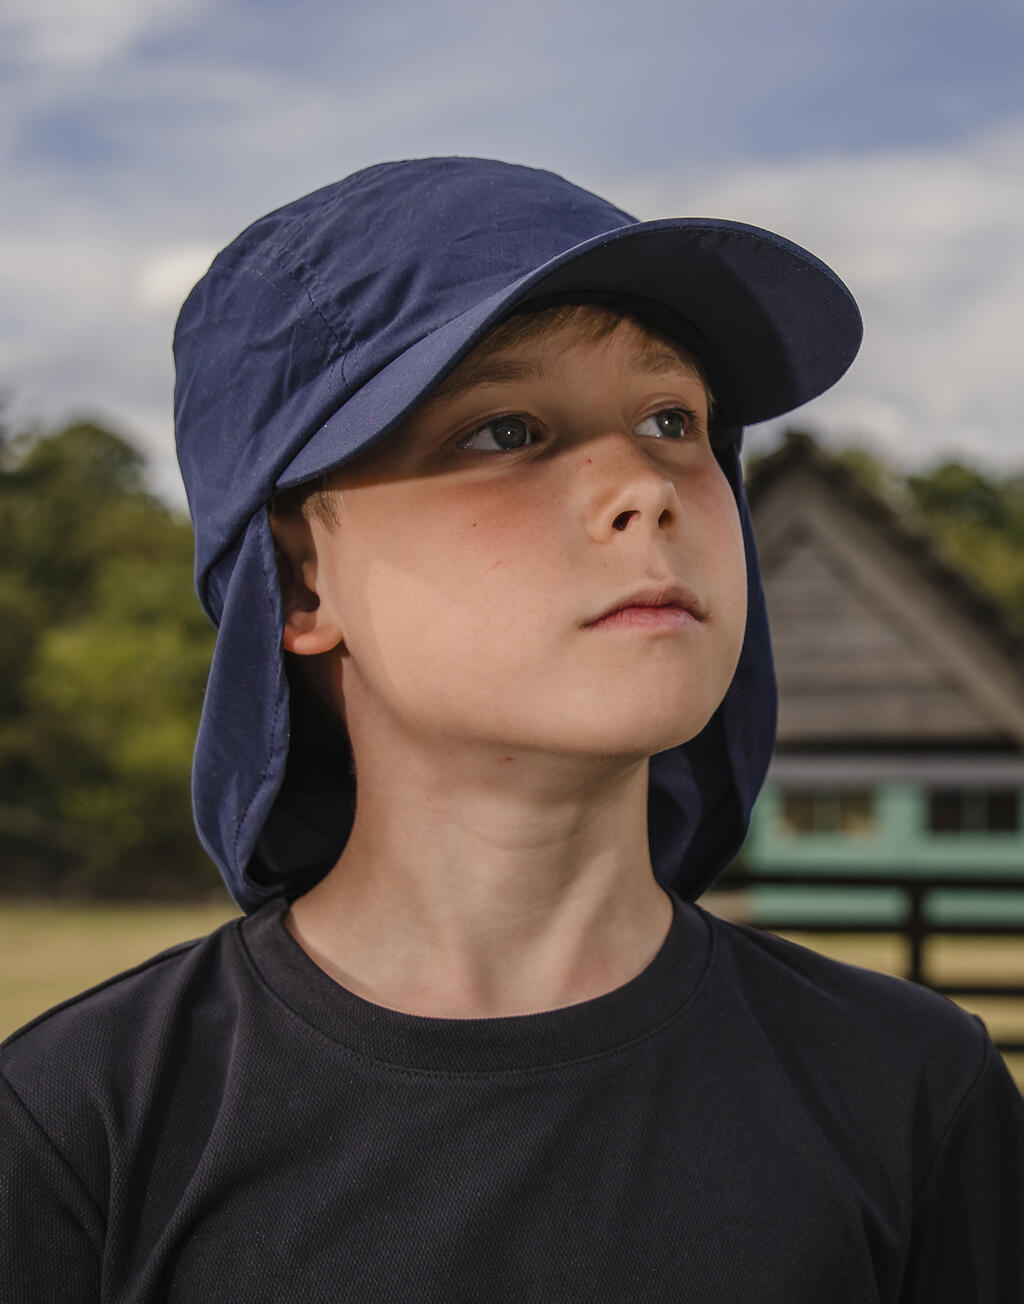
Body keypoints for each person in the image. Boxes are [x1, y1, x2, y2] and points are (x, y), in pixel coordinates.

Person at [2, 157, 1022, 1302]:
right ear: (297, 582)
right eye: (504, 430)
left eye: (671, 418)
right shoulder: (75, 1132)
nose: (645, 486)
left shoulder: (916, 1092)